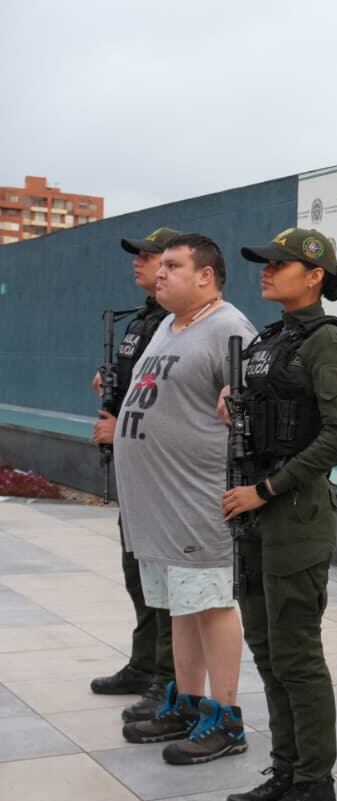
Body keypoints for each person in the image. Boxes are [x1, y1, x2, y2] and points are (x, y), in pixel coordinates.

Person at [217, 228, 337, 801]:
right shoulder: (272, 338)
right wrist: (232, 397)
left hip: (291, 514)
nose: (267, 271)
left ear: (316, 274)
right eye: (265, 262)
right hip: (254, 516)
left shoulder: (325, 342)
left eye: (281, 264)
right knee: (268, 650)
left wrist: (267, 489)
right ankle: (286, 769)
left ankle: (315, 784)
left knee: (297, 656)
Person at [114, 233, 258, 764]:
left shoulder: (228, 326)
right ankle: (190, 700)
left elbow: (250, 401)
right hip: (159, 507)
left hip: (200, 502)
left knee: (213, 605)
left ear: (206, 275)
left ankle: (227, 717)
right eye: (161, 265)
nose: (160, 273)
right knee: (182, 607)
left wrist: (237, 397)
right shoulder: (170, 325)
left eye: (173, 265)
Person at [89, 227, 179, 727]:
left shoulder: (174, 323)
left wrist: (118, 423)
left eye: (148, 257)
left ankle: (165, 676)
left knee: (161, 578)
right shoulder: (142, 320)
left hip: (157, 467)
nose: (139, 264)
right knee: (136, 573)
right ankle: (145, 663)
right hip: (134, 463)